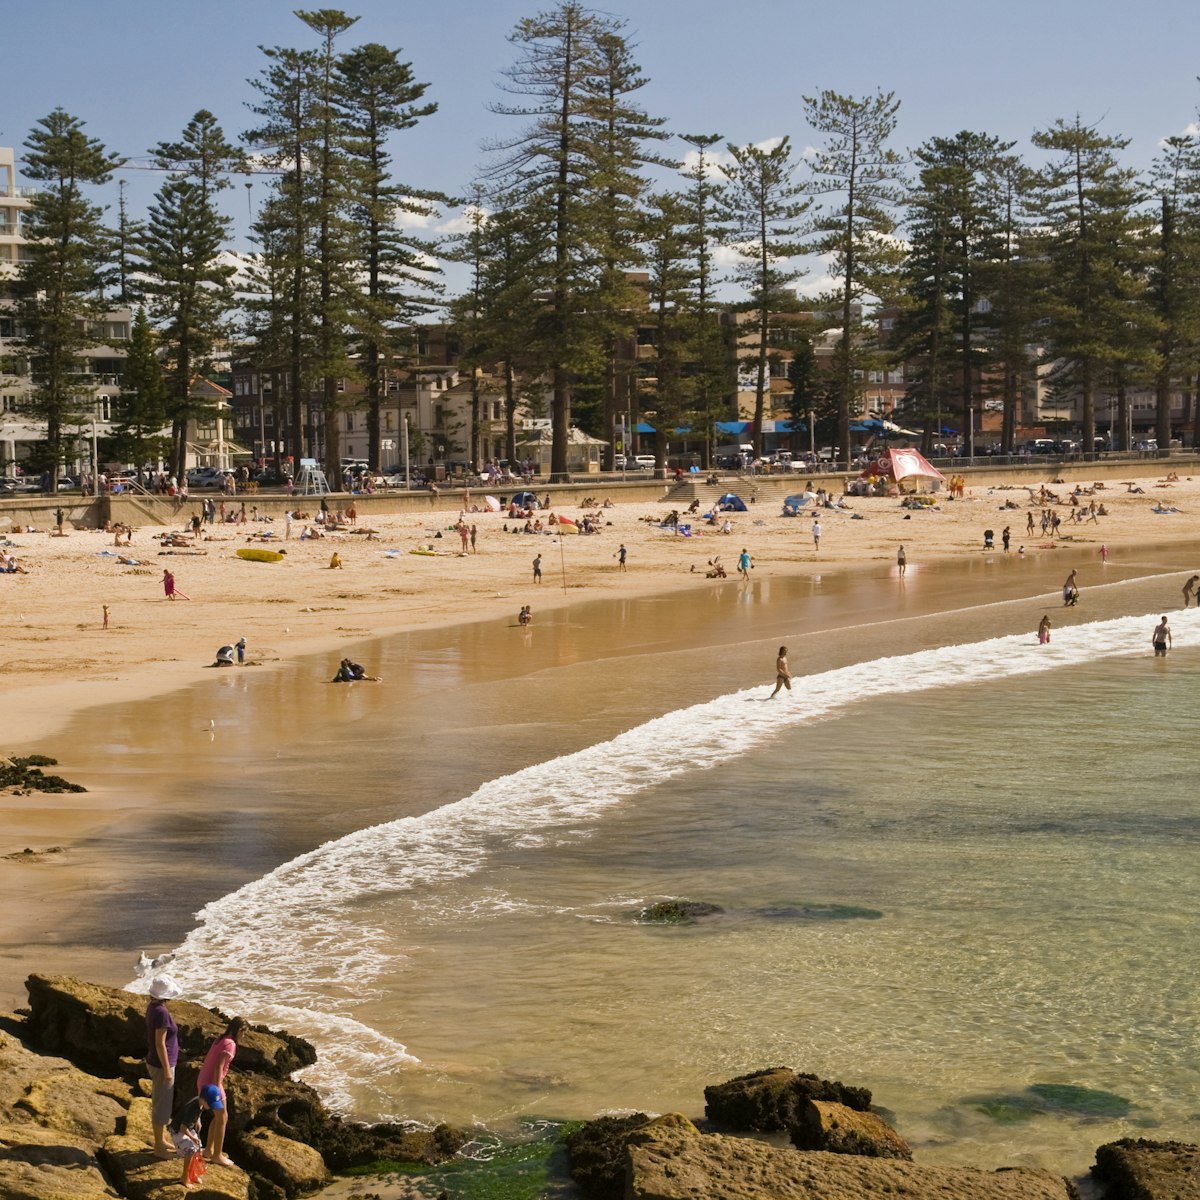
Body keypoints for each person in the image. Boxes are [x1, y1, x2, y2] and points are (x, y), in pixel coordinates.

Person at [197, 1016, 244, 1166]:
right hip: (212, 1084)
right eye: (244, 1033)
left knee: (217, 1117)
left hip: (203, 1080)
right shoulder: (230, 1044)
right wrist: (217, 1087)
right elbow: (218, 1066)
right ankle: (217, 1155)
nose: (243, 1036)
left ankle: (209, 1150)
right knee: (223, 1117)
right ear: (239, 1030)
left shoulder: (220, 1039)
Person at [145, 975, 182, 1157]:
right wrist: (167, 1070)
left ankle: (161, 1141)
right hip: (162, 1065)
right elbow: (160, 1043)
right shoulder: (161, 1012)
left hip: (157, 1062)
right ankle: (159, 1147)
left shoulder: (154, 1007)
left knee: (161, 1104)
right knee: (162, 1106)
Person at [168, 1085, 223, 1187]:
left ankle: (193, 1174)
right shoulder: (192, 1109)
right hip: (177, 1131)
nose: (211, 1107)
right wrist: (193, 1138)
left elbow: (199, 1111)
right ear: (203, 1099)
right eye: (210, 1104)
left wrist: (198, 1120)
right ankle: (184, 1177)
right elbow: (182, 1128)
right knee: (190, 1149)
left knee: (198, 1148)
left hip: (188, 1128)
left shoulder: (200, 1102)